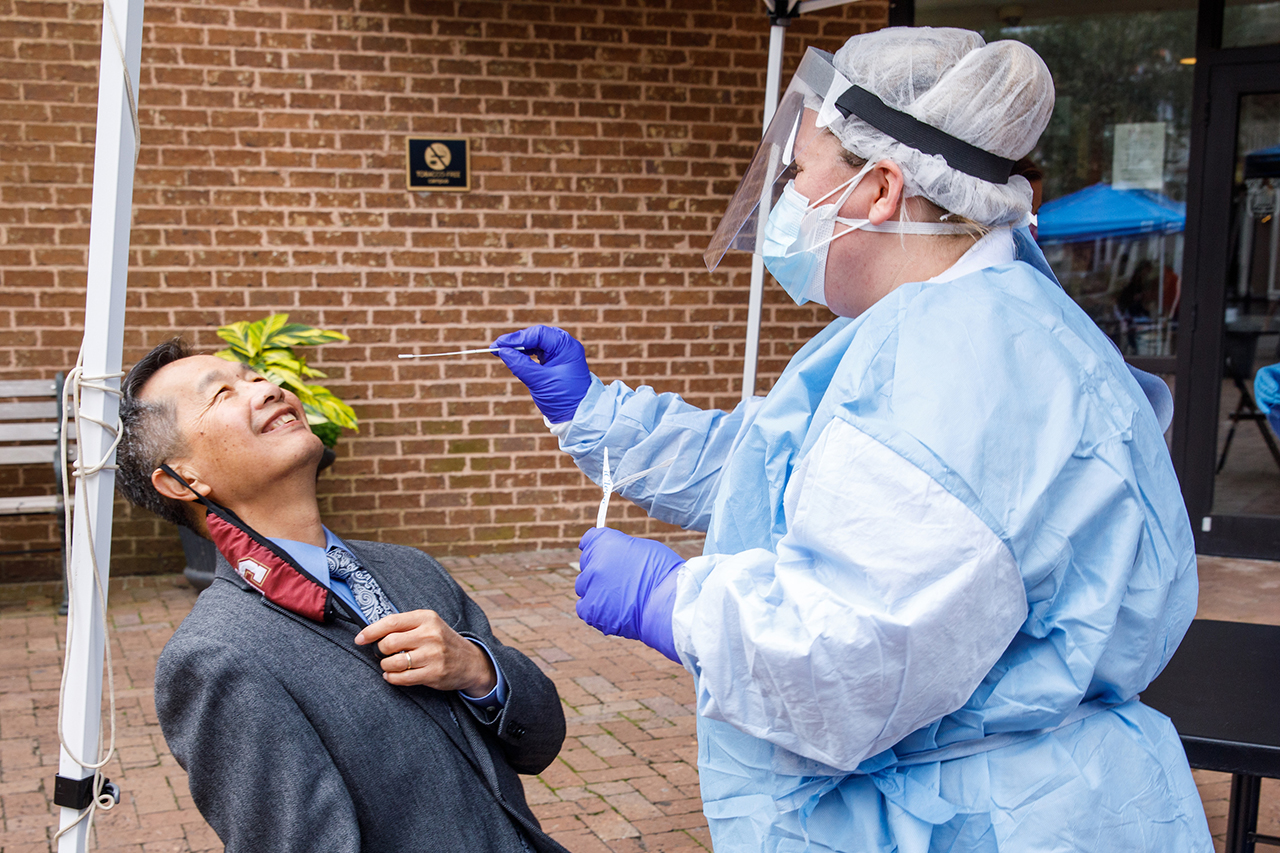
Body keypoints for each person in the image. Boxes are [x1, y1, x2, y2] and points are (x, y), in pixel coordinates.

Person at [491, 27, 1211, 853]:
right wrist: (593, 410)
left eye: (798, 177)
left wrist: (677, 602)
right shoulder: (959, 317)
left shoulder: (958, 363)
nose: (786, 202)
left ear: (879, 191)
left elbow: (850, 656)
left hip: (984, 821)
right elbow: (776, 467)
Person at [115, 339, 568, 853]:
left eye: (255, 375)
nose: (265, 388)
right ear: (182, 480)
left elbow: (542, 739)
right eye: (221, 393)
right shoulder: (216, 657)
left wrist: (479, 671)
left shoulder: (413, 569)